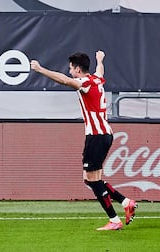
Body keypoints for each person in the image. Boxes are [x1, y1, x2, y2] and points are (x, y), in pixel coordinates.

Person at [30, 51, 137, 230]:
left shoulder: (85, 83)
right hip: (104, 134)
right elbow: (100, 71)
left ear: (78, 69)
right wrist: (100, 60)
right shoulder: (96, 79)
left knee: (93, 180)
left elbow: (64, 80)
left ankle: (114, 220)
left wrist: (40, 69)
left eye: (71, 68)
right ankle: (126, 202)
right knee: (90, 179)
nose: (69, 71)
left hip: (96, 136)